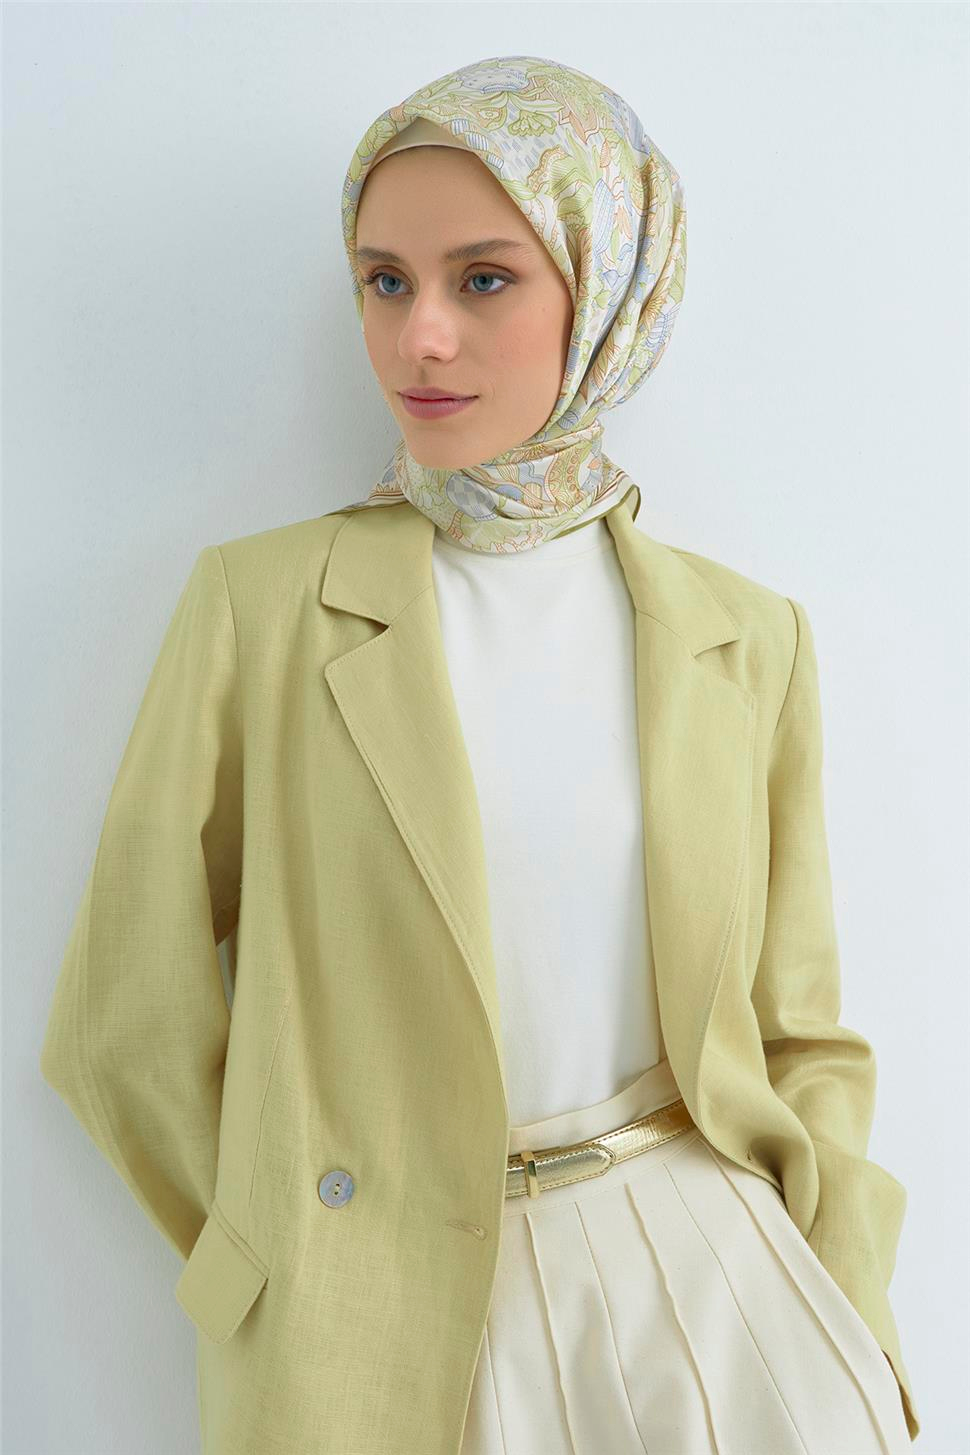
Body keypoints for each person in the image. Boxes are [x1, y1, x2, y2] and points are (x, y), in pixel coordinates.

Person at [40, 54, 919, 1453]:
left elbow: (798, 1028)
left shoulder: (743, 638)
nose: (422, 339)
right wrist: (278, 1269)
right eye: (384, 282)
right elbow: (123, 1019)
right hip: (378, 1306)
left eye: (485, 278)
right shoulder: (263, 606)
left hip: (717, 1280)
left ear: (610, 287)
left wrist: (844, 1289)